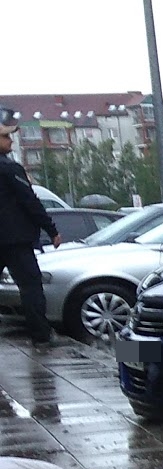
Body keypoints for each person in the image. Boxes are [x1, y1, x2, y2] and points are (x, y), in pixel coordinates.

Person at [0, 118, 62, 349]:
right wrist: (51, 230)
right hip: (15, 239)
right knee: (31, 287)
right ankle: (41, 335)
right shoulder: (9, 168)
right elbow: (30, 201)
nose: (11, 140)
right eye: (6, 137)